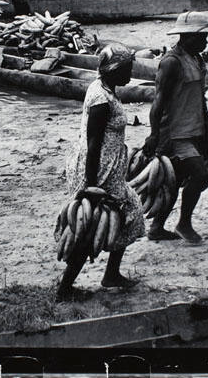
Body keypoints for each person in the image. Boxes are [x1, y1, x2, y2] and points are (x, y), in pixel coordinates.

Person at [57, 44, 145, 301]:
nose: (131, 73)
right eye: (127, 69)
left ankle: (111, 274)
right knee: (91, 225)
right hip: (99, 171)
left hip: (108, 168)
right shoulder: (101, 99)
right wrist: (91, 185)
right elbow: (93, 142)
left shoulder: (104, 88)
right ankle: (65, 289)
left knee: (129, 211)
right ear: (114, 70)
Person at [143, 12, 208, 244]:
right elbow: (158, 102)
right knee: (200, 174)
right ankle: (184, 223)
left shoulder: (197, 59)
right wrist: (154, 134)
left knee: (178, 180)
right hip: (175, 134)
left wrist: (207, 130)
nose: (205, 41)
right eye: (202, 36)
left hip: (195, 129)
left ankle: (157, 227)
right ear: (187, 36)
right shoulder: (171, 62)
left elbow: (199, 98)